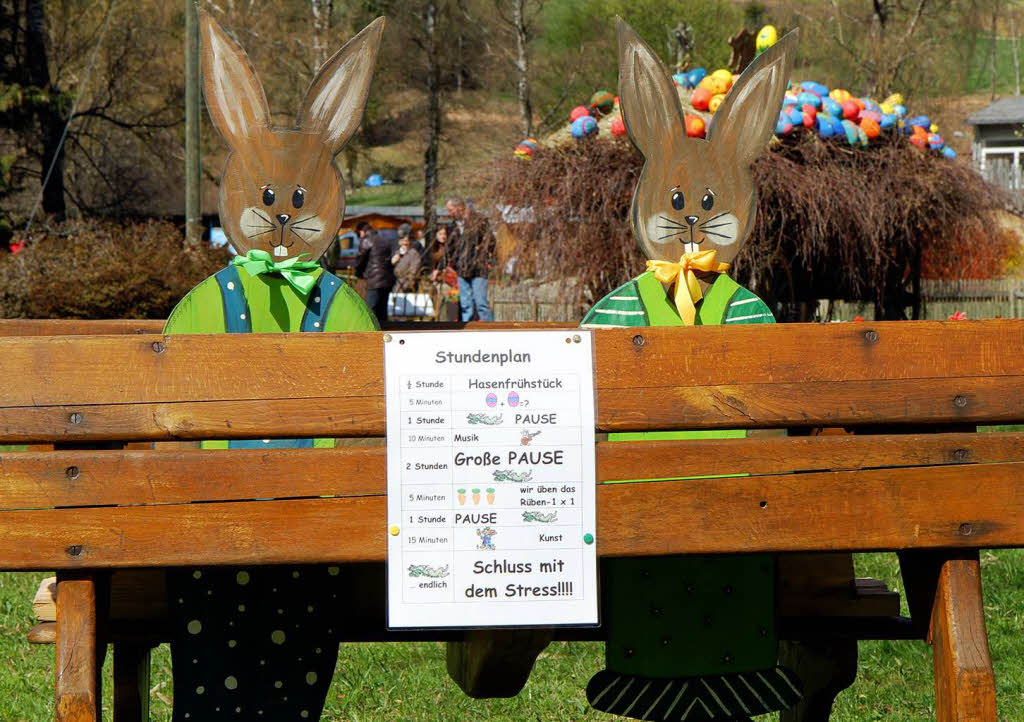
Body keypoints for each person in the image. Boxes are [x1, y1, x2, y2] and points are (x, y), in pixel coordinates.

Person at [445, 197, 494, 322]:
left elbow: (490, 241)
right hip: (461, 269)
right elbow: (450, 247)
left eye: (450, 210)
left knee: (481, 302)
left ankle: (491, 330)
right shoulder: (452, 226)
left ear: (459, 208)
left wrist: (485, 259)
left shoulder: (479, 221)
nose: (448, 213)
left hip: (478, 268)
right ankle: (468, 329)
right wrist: (453, 262)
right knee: (466, 305)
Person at [355, 222, 396, 326]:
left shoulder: (367, 240)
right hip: (387, 279)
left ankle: (372, 333)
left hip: (374, 279)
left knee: (371, 309)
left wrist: (358, 273)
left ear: (361, 232)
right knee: (382, 310)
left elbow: (360, 260)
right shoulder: (383, 239)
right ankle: (385, 331)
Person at [391, 223, 423, 293]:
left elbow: (414, 269)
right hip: (393, 282)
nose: (404, 243)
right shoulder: (395, 247)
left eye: (406, 240)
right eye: (401, 239)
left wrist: (407, 283)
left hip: (405, 283)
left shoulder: (414, 250)